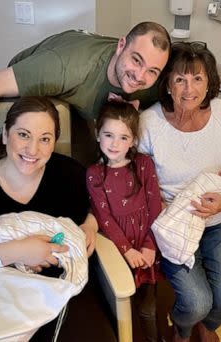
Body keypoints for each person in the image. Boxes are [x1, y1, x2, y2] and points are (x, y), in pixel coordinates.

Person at [0, 96, 114, 341]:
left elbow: (93, 209)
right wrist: (19, 251)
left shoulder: (69, 175)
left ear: (54, 142)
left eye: (44, 139)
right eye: (23, 135)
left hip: (60, 292)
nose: (32, 149)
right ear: (6, 135)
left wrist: (91, 222)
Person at [0, 22, 171, 200]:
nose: (140, 76)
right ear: (121, 46)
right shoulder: (66, 68)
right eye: (136, 60)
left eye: (152, 70)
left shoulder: (152, 85)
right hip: (33, 81)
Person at [138, 42, 221, 342]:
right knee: (196, 302)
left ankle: (207, 326)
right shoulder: (149, 122)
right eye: (180, 79)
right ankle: (183, 329)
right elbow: (140, 183)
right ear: (167, 83)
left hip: (219, 219)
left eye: (197, 78)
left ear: (209, 82)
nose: (189, 89)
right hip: (174, 222)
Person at [85, 101, 163, 342]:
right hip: (118, 247)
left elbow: (155, 207)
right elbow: (104, 218)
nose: (114, 144)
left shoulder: (143, 164)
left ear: (133, 140)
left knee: (148, 309)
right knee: (120, 299)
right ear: (98, 134)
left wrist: (150, 245)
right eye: (108, 135)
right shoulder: (94, 174)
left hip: (147, 243)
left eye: (123, 137)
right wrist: (127, 250)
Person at [152, 163, 221, 269]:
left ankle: (184, 248)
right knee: (193, 285)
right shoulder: (211, 178)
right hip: (179, 205)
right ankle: (180, 246)